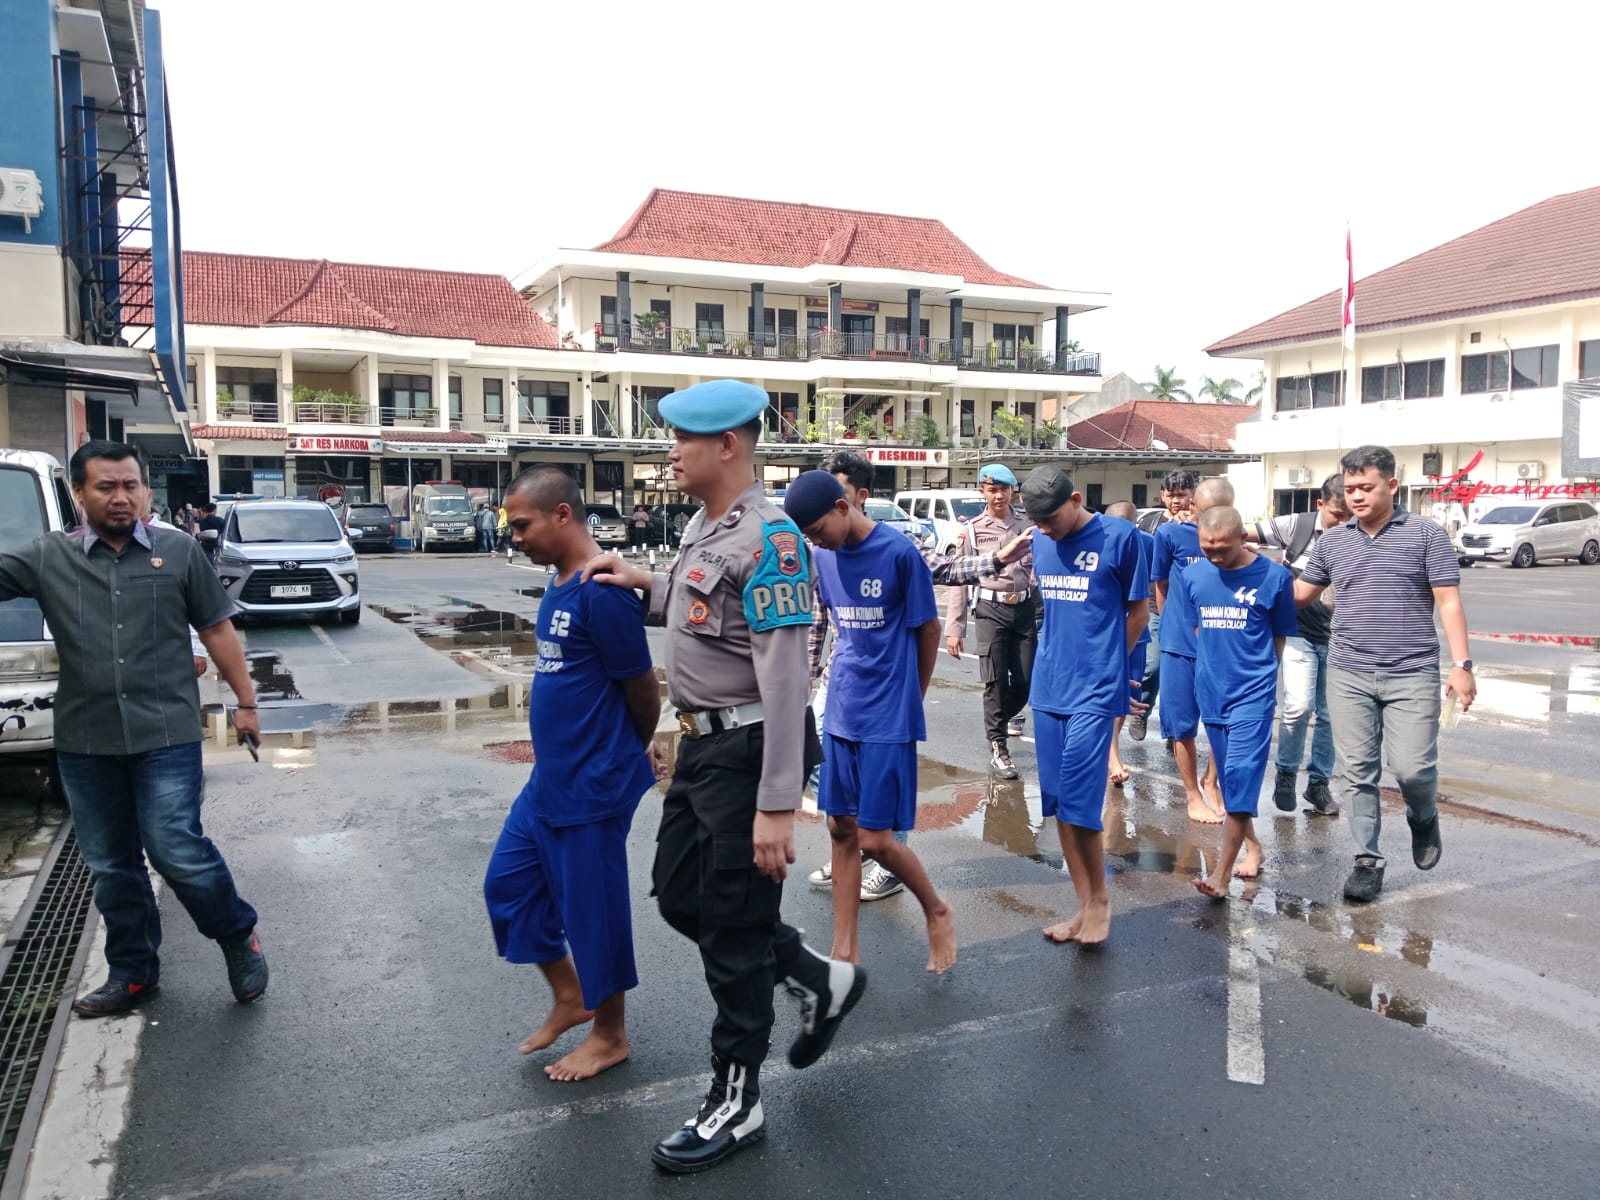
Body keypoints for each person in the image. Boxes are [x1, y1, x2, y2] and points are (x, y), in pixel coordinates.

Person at [582, 380, 864, 1174]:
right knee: (680, 895)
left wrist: (778, 802)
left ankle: (738, 1102)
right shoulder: (711, 526)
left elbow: (782, 676)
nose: (670, 452)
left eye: (682, 440)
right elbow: (712, 611)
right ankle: (812, 973)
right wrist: (649, 586)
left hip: (748, 756)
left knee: (735, 934)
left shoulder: (773, 538)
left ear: (727, 447)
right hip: (703, 750)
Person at [0, 441, 266, 1017]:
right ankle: (134, 973)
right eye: (105, 487)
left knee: (175, 848)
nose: (121, 498)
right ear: (78, 494)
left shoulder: (179, 552)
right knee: (112, 866)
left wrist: (246, 703)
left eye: (131, 486)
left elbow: (218, 628)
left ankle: (236, 934)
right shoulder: (48, 557)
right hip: (85, 740)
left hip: (165, 733)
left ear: (146, 490)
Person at [483, 467, 660, 1082]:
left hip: (591, 783)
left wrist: (627, 753)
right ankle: (571, 994)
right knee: (507, 888)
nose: (516, 537)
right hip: (549, 782)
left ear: (563, 515)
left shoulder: (602, 593)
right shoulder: (561, 582)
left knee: (594, 912)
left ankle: (610, 1035)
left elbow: (641, 686)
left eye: (524, 524)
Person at [805, 449, 1034, 898]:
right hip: (839, 681)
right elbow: (818, 619)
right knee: (813, 761)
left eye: (839, 492)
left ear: (858, 497)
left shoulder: (894, 546)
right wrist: (807, 677)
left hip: (885, 690)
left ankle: (885, 853)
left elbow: (945, 571)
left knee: (884, 778)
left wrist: (998, 560)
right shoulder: (824, 551)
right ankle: (853, 843)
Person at [785, 471, 956, 973]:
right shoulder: (822, 556)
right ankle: (844, 950)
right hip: (842, 707)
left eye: (818, 528)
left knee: (876, 839)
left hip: (888, 713)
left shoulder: (899, 554)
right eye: (809, 535)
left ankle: (937, 909)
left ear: (844, 506)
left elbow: (929, 630)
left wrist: (912, 699)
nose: (816, 540)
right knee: (839, 829)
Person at [1295, 444, 1476, 903]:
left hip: (1411, 673)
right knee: (1358, 773)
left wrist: (1462, 665)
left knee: (1413, 770)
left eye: (1366, 487)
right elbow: (1300, 593)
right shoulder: (1334, 541)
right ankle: (1367, 860)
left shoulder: (1426, 535)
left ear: (1392, 486)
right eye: (1350, 488)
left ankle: (1423, 817)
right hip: (1348, 672)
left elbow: (1448, 601)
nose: (1356, 496)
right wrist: (1239, 576)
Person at [1020, 467, 1148, 946]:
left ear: (1076, 499)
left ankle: (1100, 905)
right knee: (1058, 806)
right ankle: (1083, 904)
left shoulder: (1122, 537)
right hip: (1049, 686)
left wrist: (1115, 668)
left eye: (1052, 518)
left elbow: (1137, 611)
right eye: (1038, 521)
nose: (1045, 528)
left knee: (1080, 803)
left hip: (1095, 690)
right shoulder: (1040, 539)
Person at [1184, 506, 1299, 896]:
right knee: (1235, 787)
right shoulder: (1193, 575)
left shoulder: (1274, 577)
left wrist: (1261, 676)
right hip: (1211, 692)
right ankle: (1253, 847)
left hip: (1253, 694)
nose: (1214, 556)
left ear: (1241, 537)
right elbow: (1199, 629)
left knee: (1237, 777)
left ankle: (1220, 872)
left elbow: (1280, 635)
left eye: (1221, 548)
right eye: (1207, 548)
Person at [1249, 475, 1351, 814]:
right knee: (1298, 706)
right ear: (1321, 505)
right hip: (1298, 634)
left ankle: (1319, 784)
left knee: (1331, 715)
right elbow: (1238, 534)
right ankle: (1286, 774)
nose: (1344, 522)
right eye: (1338, 514)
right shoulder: (1297, 526)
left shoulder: (1362, 534)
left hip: (1340, 639)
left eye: (1350, 514)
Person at [944, 463, 1035, 779]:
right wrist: (954, 629)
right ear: (982, 492)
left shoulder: (1027, 525)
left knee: (1025, 680)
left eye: (1004, 489)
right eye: (992, 490)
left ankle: (996, 722)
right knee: (995, 680)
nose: (999, 496)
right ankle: (999, 747)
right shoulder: (971, 531)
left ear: (1013, 491)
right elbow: (959, 578)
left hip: (1023, 609)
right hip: (989, 610)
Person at [1151, 477, 1229, 823]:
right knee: (1181, 726)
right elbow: (1162, 584)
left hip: (1220, 646)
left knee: (1222, 722)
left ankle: (1212, 781)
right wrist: (1171, 628)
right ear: (1192, 506)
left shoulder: (1235, 537)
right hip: (1179, 644)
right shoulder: (1170, 535)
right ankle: (1192, 795)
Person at [1129, 470, 1199, 739]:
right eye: (1171, 495)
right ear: (1162, 496)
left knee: (1189, 674)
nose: (1176, 501)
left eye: (1182, 495)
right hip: (1155, 607)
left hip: (1193, 610)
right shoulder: (1148, 523)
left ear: (1192, 495)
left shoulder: (1200, 525)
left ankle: (1180, 732)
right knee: (1153, 666)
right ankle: (1142, 713)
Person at [1103, 501, 1155, 786]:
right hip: (1109, 629)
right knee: (1113, 693)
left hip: (1136, 627)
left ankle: (1112, 749)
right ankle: (1111, 755)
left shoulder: (1146, 542)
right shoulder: (1097, 542)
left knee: (1126, 697)